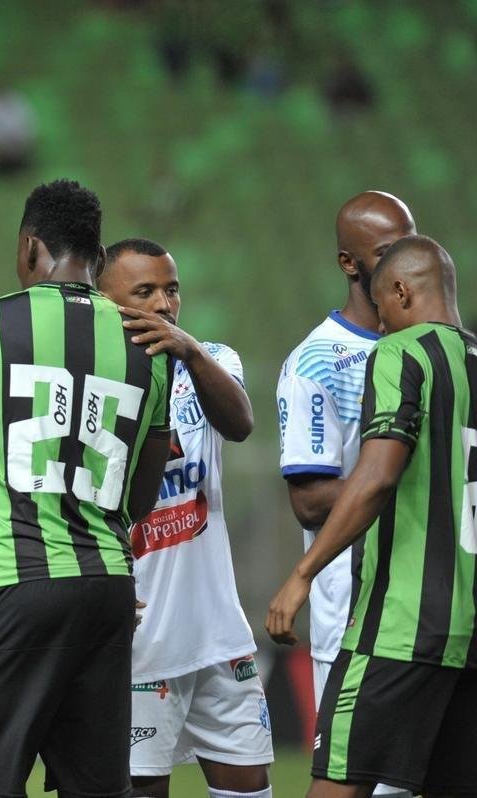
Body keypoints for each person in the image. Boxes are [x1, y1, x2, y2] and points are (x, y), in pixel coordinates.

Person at [0, 179, 173, 798]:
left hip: (20, 583)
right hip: (110, 590)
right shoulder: (146, 344)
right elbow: (140, 501)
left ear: (31, 246)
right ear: (101, 257)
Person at [267, 234, 477, 797]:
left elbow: (378, 472)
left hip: (399, 626)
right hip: (467, 632)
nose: (380, 324)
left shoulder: (402, 353)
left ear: (402, 291)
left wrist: (303, 572)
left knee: (338, 785)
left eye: (382, 308)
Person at [97, 239, 273, 798]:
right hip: (140, 642)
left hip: (219, 636)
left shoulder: (212, 359)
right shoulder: (94, 385)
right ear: (105, 300)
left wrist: (190, 354)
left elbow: (241, 424)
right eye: (144, 292)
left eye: (171, 289)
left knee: (251, 789)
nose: (164, 304)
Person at [275, 191, 416, 798]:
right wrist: (398, 479)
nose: (402, 266)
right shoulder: (317, 362)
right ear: (349, 263)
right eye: (386, 253)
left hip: (427, 611)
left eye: (409, 248)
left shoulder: (429, 349)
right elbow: (308, 501)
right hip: (357, 616)